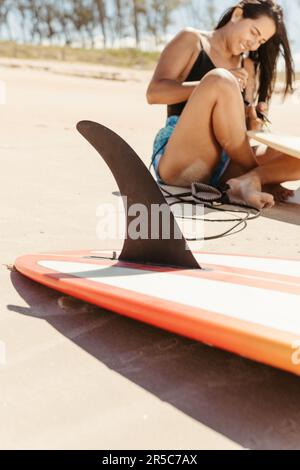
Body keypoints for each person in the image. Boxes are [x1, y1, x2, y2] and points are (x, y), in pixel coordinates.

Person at [147, 0, 297, 210]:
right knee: (221, 80)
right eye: (254, 32)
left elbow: (237, 132)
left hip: (226, 162)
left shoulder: (248, 67)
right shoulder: (192, 40)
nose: (254, 45)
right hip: (183, 158)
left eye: (261, 41)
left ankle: (248, 180)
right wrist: (210, 85)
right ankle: (257, 176)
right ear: (237, 14)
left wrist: (252, 122)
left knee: (295, 153)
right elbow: (154, 93)